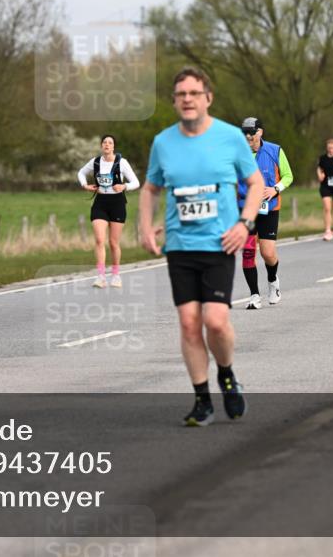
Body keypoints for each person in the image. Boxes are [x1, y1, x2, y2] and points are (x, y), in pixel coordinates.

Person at [139, 66, 263, 426]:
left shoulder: (230, 138)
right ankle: (202, 400)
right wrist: (145, 227)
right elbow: (150, 188)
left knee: (216, 321)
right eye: (181, 94)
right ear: (174, 101)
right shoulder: (163, 142)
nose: (187, 99)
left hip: (220, 243)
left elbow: (256, 183)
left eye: (194, 93)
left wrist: (244, 223)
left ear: (207, 98)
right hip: (180, 245)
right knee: (189, 323)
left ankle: (226, 373)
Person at [238, 117, 293, 309]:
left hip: (269, 208)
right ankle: (254, 295)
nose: (248, 136)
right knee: (248, 252)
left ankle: (272, 280)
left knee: (267, 253)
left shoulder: (275, 150)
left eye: (251, 133)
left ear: (260, 132)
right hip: (246, 208)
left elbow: (288, 176)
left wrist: (275, 189)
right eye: (244, 132)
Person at [77, 135, 140, 288]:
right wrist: (85, 185)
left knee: (113, 243)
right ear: (101, 146)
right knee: (99, 240)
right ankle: (100, 276)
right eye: (104, 142)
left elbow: (136, 182)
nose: (107, 145)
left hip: (117, 204)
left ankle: (116, 275)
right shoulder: (95, 162)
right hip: (100, 203)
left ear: (113, 147)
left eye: (110, 143)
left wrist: (124, 186)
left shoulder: (122, 162)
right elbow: (81, 173)